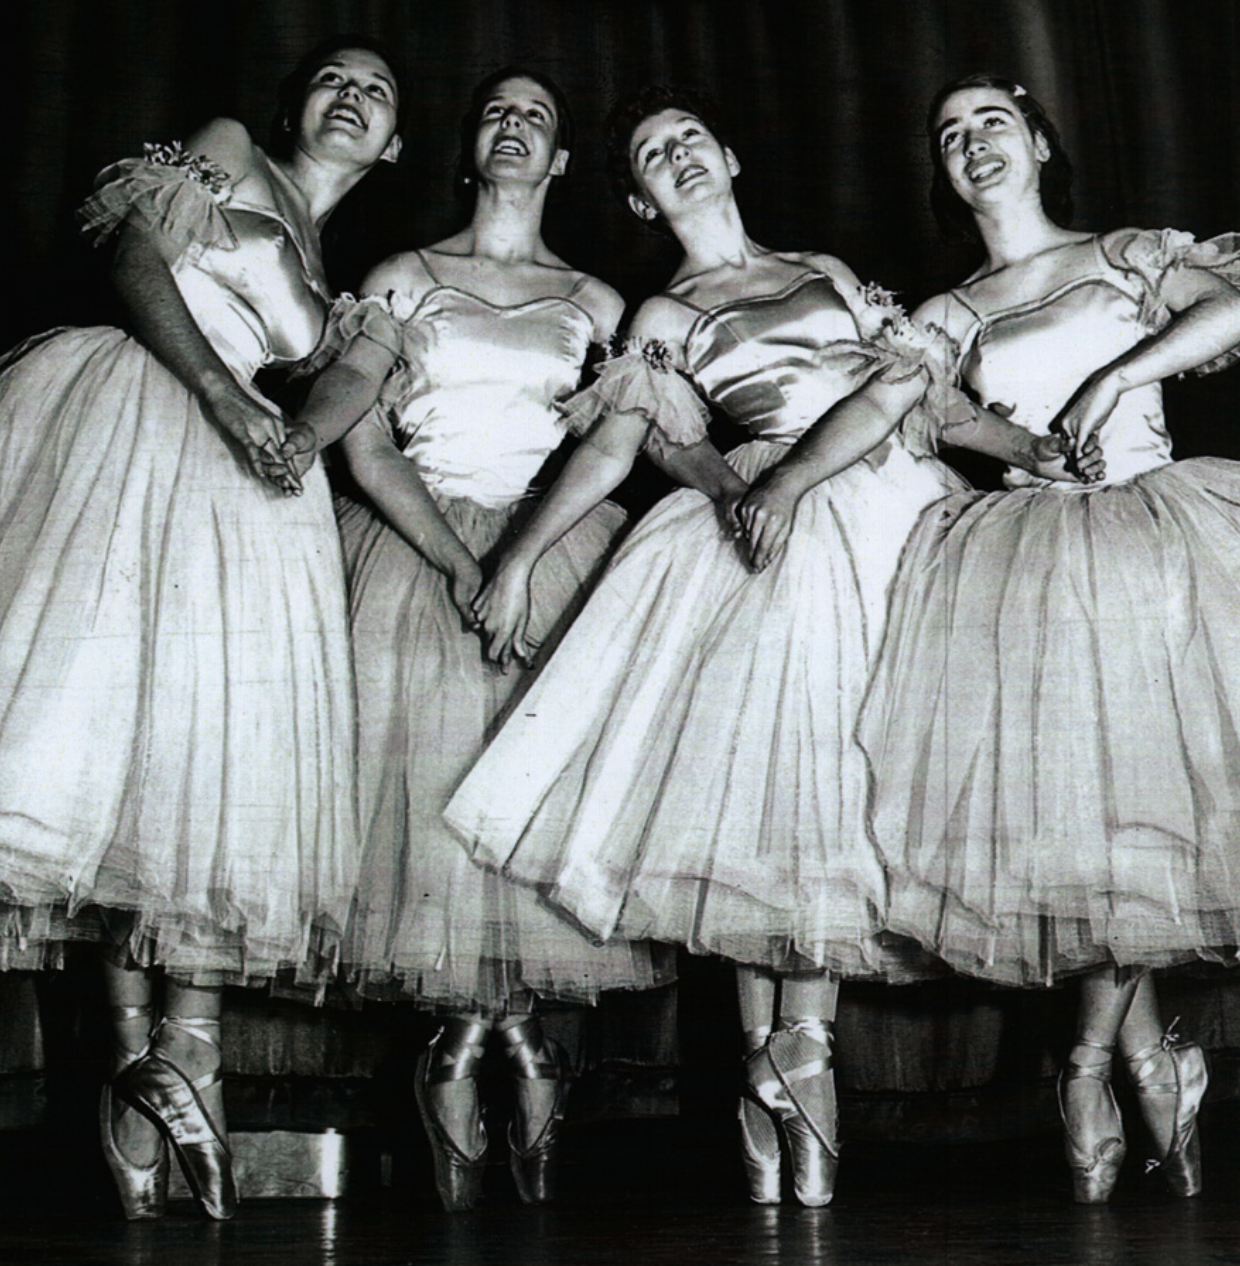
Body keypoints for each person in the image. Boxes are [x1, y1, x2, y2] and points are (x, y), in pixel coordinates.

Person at [443, 84, 1092, 1207]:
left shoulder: (832, 272)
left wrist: (1029, 447)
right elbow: (611, 452)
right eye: (653, 154)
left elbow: (919, 401)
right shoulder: (658, 318)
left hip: (891, 508)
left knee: (846, 776)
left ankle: (802, 1054)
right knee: (763, 785)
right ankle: (774, 1059)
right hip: (765, 519)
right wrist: (515, 557)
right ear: (641, 201)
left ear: (729, 156)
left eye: (691, 137)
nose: (677, 156)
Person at [0, 36, 404, 1220]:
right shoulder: (227, 151)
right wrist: (215, 392)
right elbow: (136, 250)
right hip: (144, 414)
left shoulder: (339, 273)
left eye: (378, 91)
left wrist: (303, 425)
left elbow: (355, 380)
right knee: (102, 741)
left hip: (249, 484)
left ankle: (175, 1062)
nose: (351, 96)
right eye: (334, 77)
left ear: (398, 143)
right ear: (296, 100)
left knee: (197, 763)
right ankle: (144, 1063)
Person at [844, 74, 1240, 1204]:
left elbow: (1229, 308)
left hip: (1160, 536)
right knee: (1102, 823)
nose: (972, 143)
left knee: (1153, 809)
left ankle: (1084, 1059)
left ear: (1042, 141)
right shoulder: (948, 310)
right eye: (951, 133)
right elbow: (915, 410)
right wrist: (1020, 448)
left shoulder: (1122, 251)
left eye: (993, 123)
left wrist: (1119, 372)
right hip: (1029, 562)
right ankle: (1147, 1051)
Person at [285, 68, 662, 1212]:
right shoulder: (405, 277)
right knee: (428, 782)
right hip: (416, 546)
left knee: (529, 788)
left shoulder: (599, 300)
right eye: (496, 112)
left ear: (556, 165)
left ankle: (522, 1035)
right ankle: (470, 1036)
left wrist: (518, 563)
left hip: (550, 550)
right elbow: (363, 439)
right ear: (469, 150)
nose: (513, 126)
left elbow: (613, 447)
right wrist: (460, 564)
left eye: (536, 117)